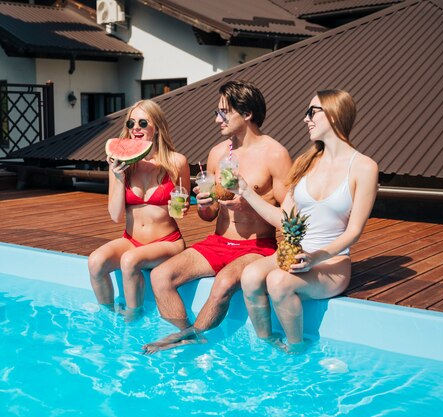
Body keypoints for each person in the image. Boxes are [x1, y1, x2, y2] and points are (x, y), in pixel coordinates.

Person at [143, 80, 292, 353]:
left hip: (256, 247)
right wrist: (204, 205)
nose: (216, 119)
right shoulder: (217, 153)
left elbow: (288, 217)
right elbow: (209, 215)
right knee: (160, 277)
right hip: (219, 241)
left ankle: (188, 340)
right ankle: (188, 334)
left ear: (246, 114)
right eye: (217, 111)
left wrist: (249, 204)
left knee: (223, 282)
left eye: (224, 112)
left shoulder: (275, 154)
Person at [236, 89, 378, 353]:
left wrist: (315, 258)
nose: (305, 119)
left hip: (331, 262)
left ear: (335, 114)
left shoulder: (364, 167)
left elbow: (354, 231)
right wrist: (245, 191)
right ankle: (267, 345)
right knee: (250, 275)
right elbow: (284, 219)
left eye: (312, 112)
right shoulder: (305, 162)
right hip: (294, 254)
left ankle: (296, 351)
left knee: (278, 283)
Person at [88, 100, 190, 321]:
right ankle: (106, 319)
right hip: (131, 239)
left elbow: (181, 211)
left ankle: (133, 321)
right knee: (95, 261)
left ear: (157, 127)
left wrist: (184, 204)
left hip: (167, 242)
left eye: (143, 122)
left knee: (130, 260)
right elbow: (115, 216)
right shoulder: (120, 164)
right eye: (131, 123)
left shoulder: (176, 162)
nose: (135, 128)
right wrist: (118, 176)